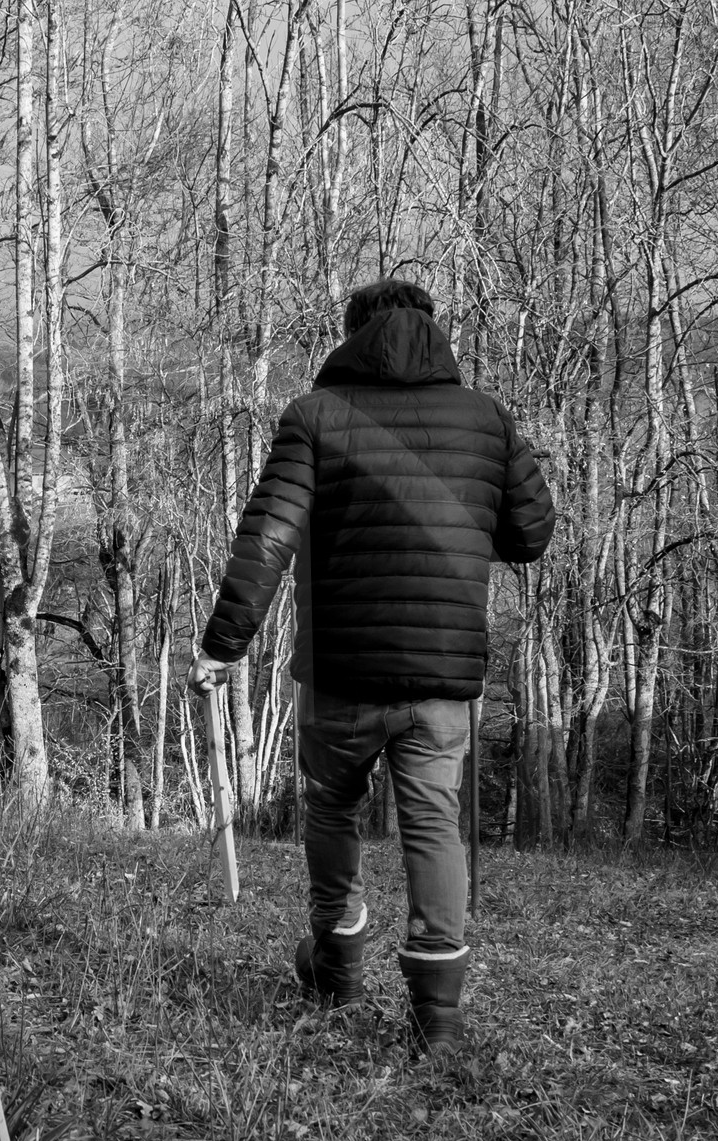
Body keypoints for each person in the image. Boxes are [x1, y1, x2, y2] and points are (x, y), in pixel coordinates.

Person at [189, 278, 555, 1056]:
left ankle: (338, 961)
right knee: (432, 826)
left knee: (331, 809)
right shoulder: (486, 418)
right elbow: (530, 534)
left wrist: (224, 644)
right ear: (431, 330)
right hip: (442, 673)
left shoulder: (315, 417)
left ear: (352, 334)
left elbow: (267, 540)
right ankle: (438, 1020)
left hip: (340, 671)